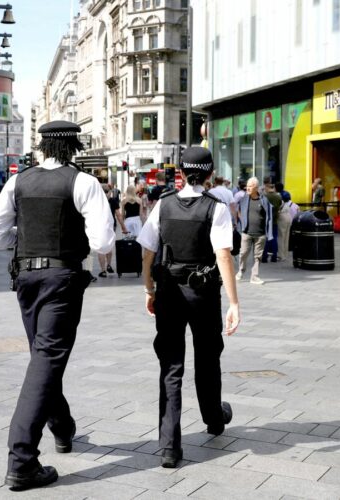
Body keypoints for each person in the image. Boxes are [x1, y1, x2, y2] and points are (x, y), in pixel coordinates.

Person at [0, 120, 114, 491]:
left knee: (43, 356)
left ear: (42, 147)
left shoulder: (17, 181)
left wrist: (24, 236)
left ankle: (62, 426)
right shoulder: (83, 182)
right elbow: (103, 242)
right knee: (46, 359)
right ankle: (21, 459)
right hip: (61, 280)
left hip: (25, 280)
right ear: (73, 147)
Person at [137, 146, 240, 469]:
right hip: (204, 292)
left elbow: (148, 252)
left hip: (168, 290)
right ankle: (213, 418)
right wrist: (234, 302)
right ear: (209, 174)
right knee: (208, 358)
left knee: (170, 366)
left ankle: (169, 446)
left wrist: (148, 289)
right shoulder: (216, 208)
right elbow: (223, 255)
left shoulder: (163, 205)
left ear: (180, 172)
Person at [235, 177, 274, 284]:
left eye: (250, 186)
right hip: (246, 232)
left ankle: (254, 276)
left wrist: (267, 231)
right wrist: (241, 221)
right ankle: (241, 271)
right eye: (247, 185)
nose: (247, 187)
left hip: (260, 234)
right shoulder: (243, 199)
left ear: (256, 188)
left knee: (258, 257)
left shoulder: (264, 200)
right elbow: (237, 209)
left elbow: (269, 216)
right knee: (243, 253)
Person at [97, 184, 125, 277]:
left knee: (100, 249)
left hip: (99, 227)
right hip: (111, 227)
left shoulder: (96, 200)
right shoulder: (113, 201)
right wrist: (123, 227)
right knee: (109, 246)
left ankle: (103, 270)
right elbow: (119, 215)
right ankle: (109, 264)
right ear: (110, 192)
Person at [262, 180, 284, 263]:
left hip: (266, 220)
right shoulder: (278, 197)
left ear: (267, 188)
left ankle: (264, 257)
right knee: (274, 238)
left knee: (266, 238)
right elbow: (280, 206)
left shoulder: (264, 196)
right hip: (274, 220)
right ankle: (274, 256)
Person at [277, 191, 300, 262]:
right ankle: (285, 254)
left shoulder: (281, 203)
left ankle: (281, 256)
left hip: (282, 218)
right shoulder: (294, 205)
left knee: (281, 237)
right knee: (286, 237)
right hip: (289, 218)